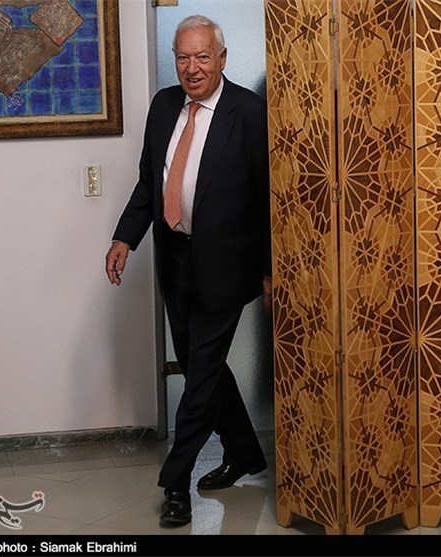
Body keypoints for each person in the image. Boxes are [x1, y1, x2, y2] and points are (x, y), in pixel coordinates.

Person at [105, 15, 271, 527]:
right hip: (175, 260)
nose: (192, 67)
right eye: (183, 57)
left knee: (199, 375)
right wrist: (125, 237)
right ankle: (245, 451)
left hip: (227, 266)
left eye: (202, 56)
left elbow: (271, 200)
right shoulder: (163, 106)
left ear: (222, 58)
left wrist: (271, 270)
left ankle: (175, 483)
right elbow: (149, 183)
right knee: (204, 364)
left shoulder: (250, 113)